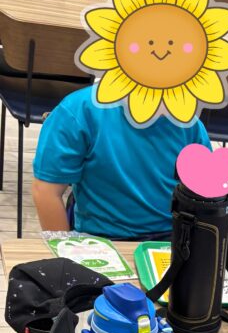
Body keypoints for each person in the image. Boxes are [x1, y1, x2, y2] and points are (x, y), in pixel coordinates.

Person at [32, 86, 211, 239]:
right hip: (100, 239)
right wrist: (63, 254)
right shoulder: (79, 110)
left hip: (172, 240)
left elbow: (207, 197)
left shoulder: (190, 124)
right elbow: (46, 191)